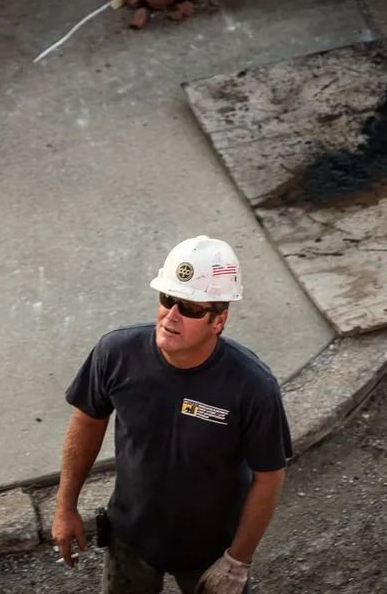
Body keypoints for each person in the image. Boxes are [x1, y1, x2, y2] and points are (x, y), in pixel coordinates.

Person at [52, 235, 292, 594]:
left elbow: (269, 477)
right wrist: (65, 506)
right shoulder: (116, 353)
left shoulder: (252, 387)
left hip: (210, 552)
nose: (171, 316)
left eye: (191, 309)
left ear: (218, 321)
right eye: (167, 299)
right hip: (130, 540)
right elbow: (87, 421)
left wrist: (237, 562)